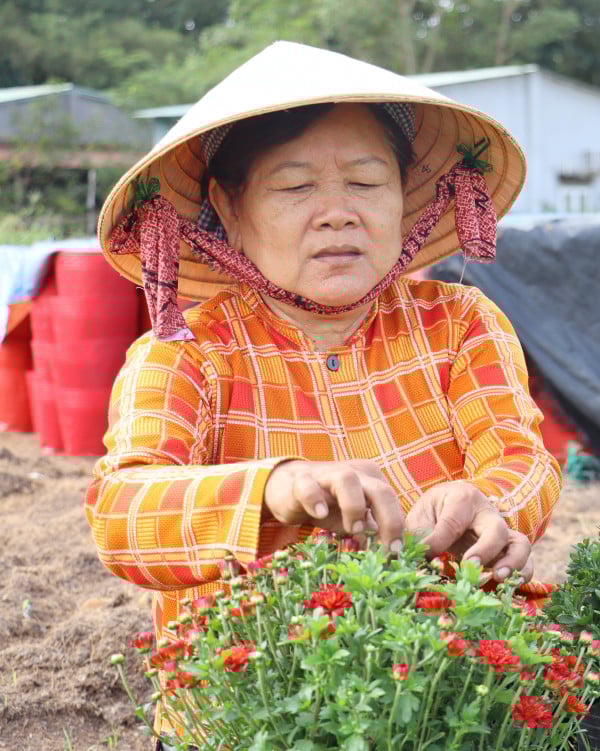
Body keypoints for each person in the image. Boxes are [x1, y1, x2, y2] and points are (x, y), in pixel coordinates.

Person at [85, 40, 561, 738]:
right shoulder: (187, 352)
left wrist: (491, 503)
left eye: (366, 183)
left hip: (437, 700)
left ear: (407, 199)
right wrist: (276, 488)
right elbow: (120, 513)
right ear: (229, 207)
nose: (338, 212)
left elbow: (523, 458)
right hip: (253, 715)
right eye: (295, 186)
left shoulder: (461, 323)